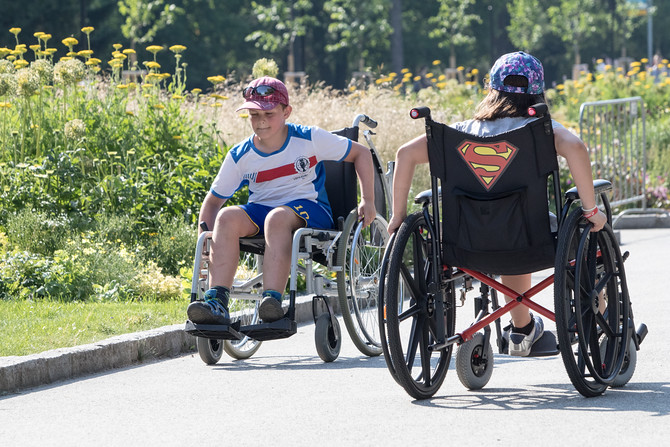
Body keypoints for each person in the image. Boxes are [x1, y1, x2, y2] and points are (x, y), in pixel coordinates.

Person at [387, 51, 607, 356]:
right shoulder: (539, 132)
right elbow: (576, 147)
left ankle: (523, 330)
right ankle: (597, 317)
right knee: (584, 230)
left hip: (463, 242)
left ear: (491, 90)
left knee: (503, 228)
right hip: (530, 239)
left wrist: (398, 216)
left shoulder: (460, 133)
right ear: (537, 91)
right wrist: (591, 210)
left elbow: (404, 154)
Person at [188, 76, 376, 325]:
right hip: (262, 210)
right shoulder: (240, 155)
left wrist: (368, 200)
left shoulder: (309, 139)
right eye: (254, 115)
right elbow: (212, 203)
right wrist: (206, 242)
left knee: (277, 218)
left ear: (287, 111)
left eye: (268, 113)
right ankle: (216, 302)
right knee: (226, 217)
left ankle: (272, 302)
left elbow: (361, 153)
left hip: (310, 208)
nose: (261, 121)